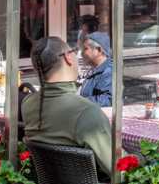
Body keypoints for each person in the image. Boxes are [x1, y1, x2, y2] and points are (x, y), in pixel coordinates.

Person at [22, 36, 114, 176]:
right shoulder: (86, 112)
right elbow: (121, 170)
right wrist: (144, 156)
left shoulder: (27, 103)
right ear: (67, 58)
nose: (79, 56)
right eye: (74, 51)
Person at [79, 32, 113, 107]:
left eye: (84, 49)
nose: (81, 54)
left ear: (98, 50)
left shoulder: (109, 72)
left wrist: (77, 102)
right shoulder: (94, 70)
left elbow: (107, 99)